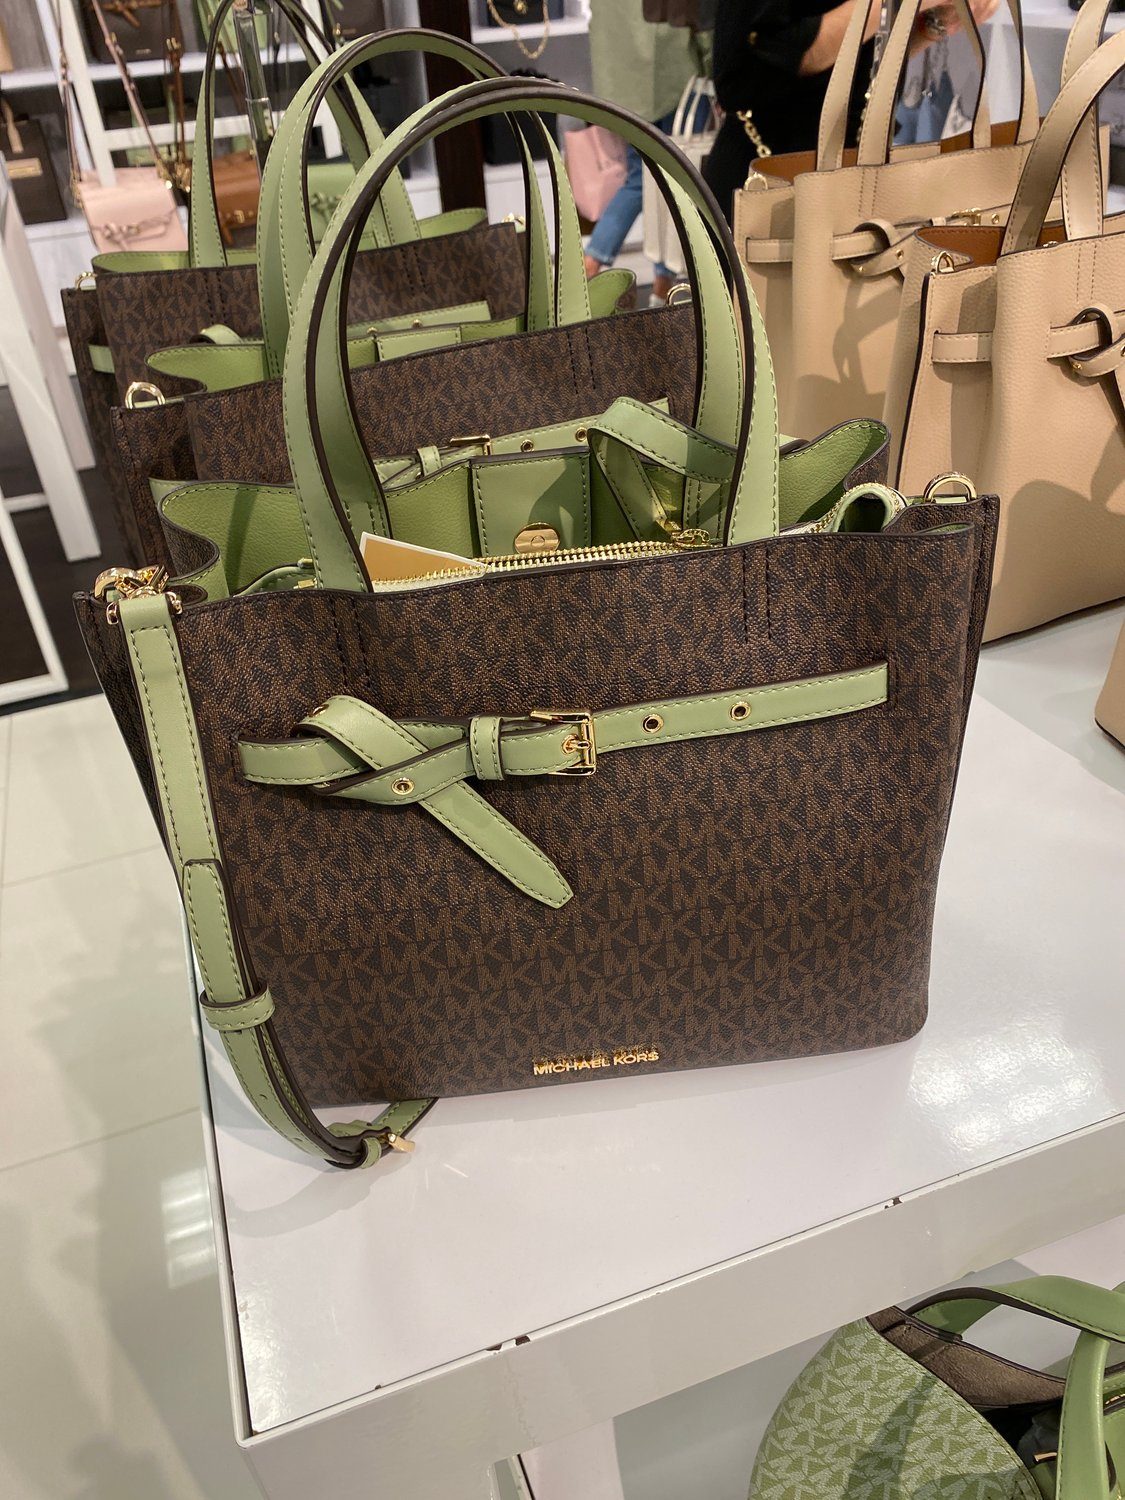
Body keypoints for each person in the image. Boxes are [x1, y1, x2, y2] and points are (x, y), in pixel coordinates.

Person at [703, 0, 1001, 223]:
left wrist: (932, 25)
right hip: (767, 180)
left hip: (852, 177)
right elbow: (770, 55)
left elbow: (864, 65)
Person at [586, 0, 711, 302]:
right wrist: (714, 66)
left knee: (642, 179)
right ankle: (661, 285)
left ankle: (592, 266)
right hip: (676, 78)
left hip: (626, 84)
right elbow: (701, 18)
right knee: (675, 182)